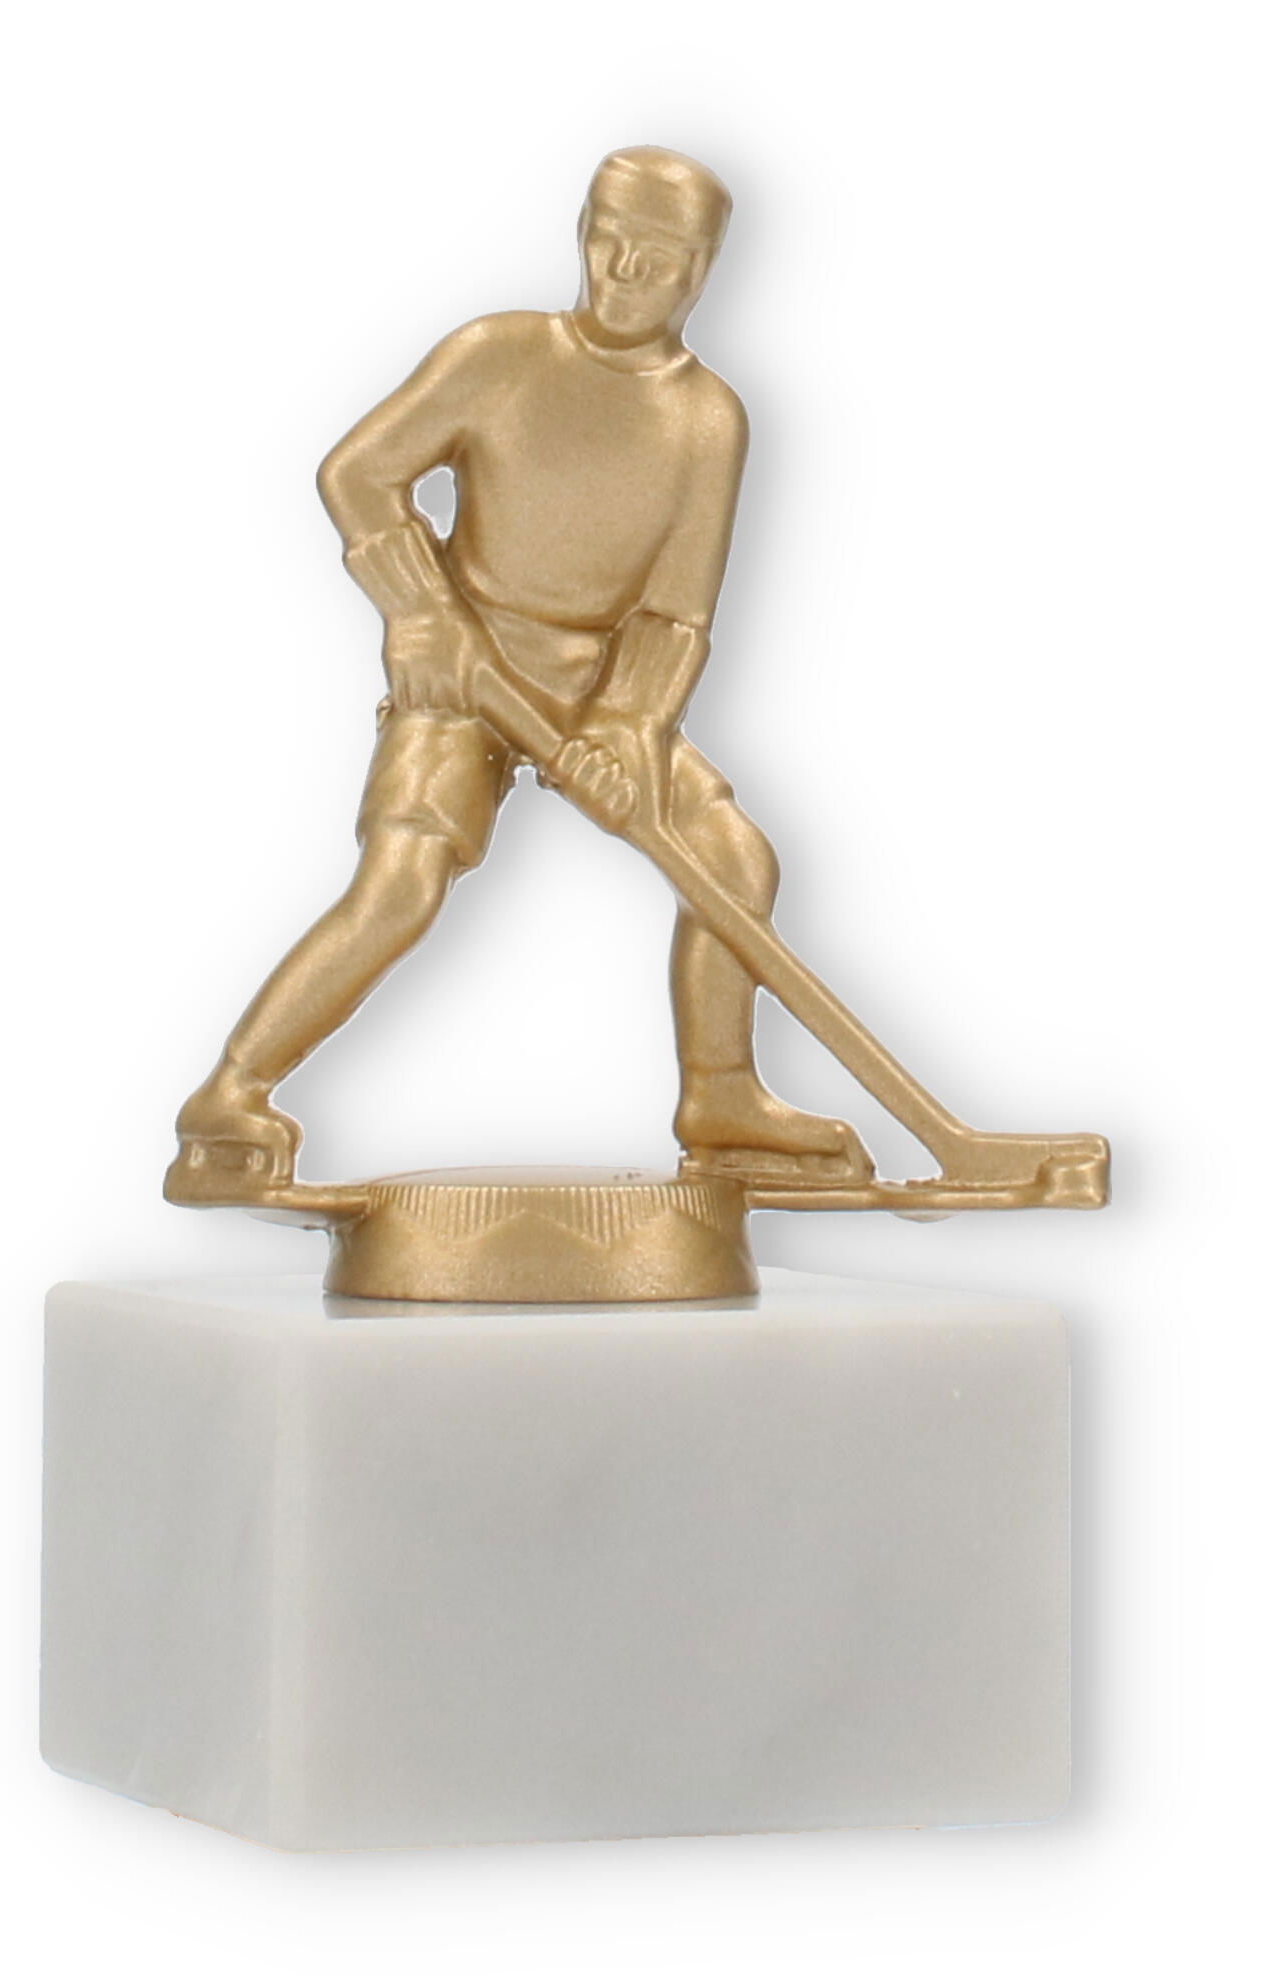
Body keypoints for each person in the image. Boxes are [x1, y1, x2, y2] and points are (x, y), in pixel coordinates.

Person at [167, 145, 873, 1204]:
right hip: (461, 677)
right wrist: (421, 612)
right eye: (608, 237)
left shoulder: (706, 419)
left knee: (731, 855)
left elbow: (675, 612)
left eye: (659, 256)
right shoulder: (498, 355)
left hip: (591, 688)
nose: (625, 269)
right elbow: (357, 475)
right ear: (579, 233)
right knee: (402, 882)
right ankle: (230, 1093)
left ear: (700, 273)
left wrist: (628, 728)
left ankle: (721, 1095)